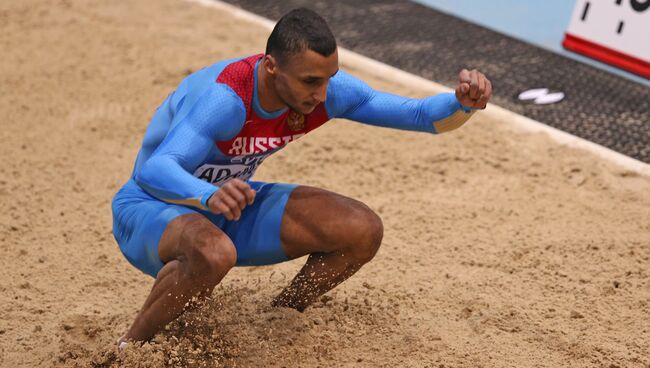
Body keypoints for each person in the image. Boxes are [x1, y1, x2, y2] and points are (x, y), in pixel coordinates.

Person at [112, 7, 492, 346]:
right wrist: (207, 195)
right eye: (311, 81)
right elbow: (154, 170)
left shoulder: (325, 92)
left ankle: (280, 313)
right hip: (152, 208)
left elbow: (420, 116)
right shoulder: (225, 100)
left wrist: (462, 104)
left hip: (224, 205)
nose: (323, 95)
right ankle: (132, 347)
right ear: (272, 67)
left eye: (330, 79)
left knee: (361, 229)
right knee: (214, 251)